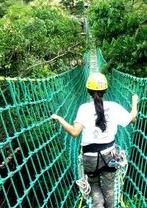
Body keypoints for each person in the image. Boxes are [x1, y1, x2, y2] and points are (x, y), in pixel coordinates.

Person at [51, 72, 138, 208]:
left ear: (88, 91)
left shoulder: (84, 109)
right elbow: (133, 118)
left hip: (90, 157)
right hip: (110, 154)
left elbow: (74, 132)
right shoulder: (114, 106)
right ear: (105, 90)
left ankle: (98, 205)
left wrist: (60, 119)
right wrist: (134, 102)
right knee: (109, 188)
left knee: (94, 184)